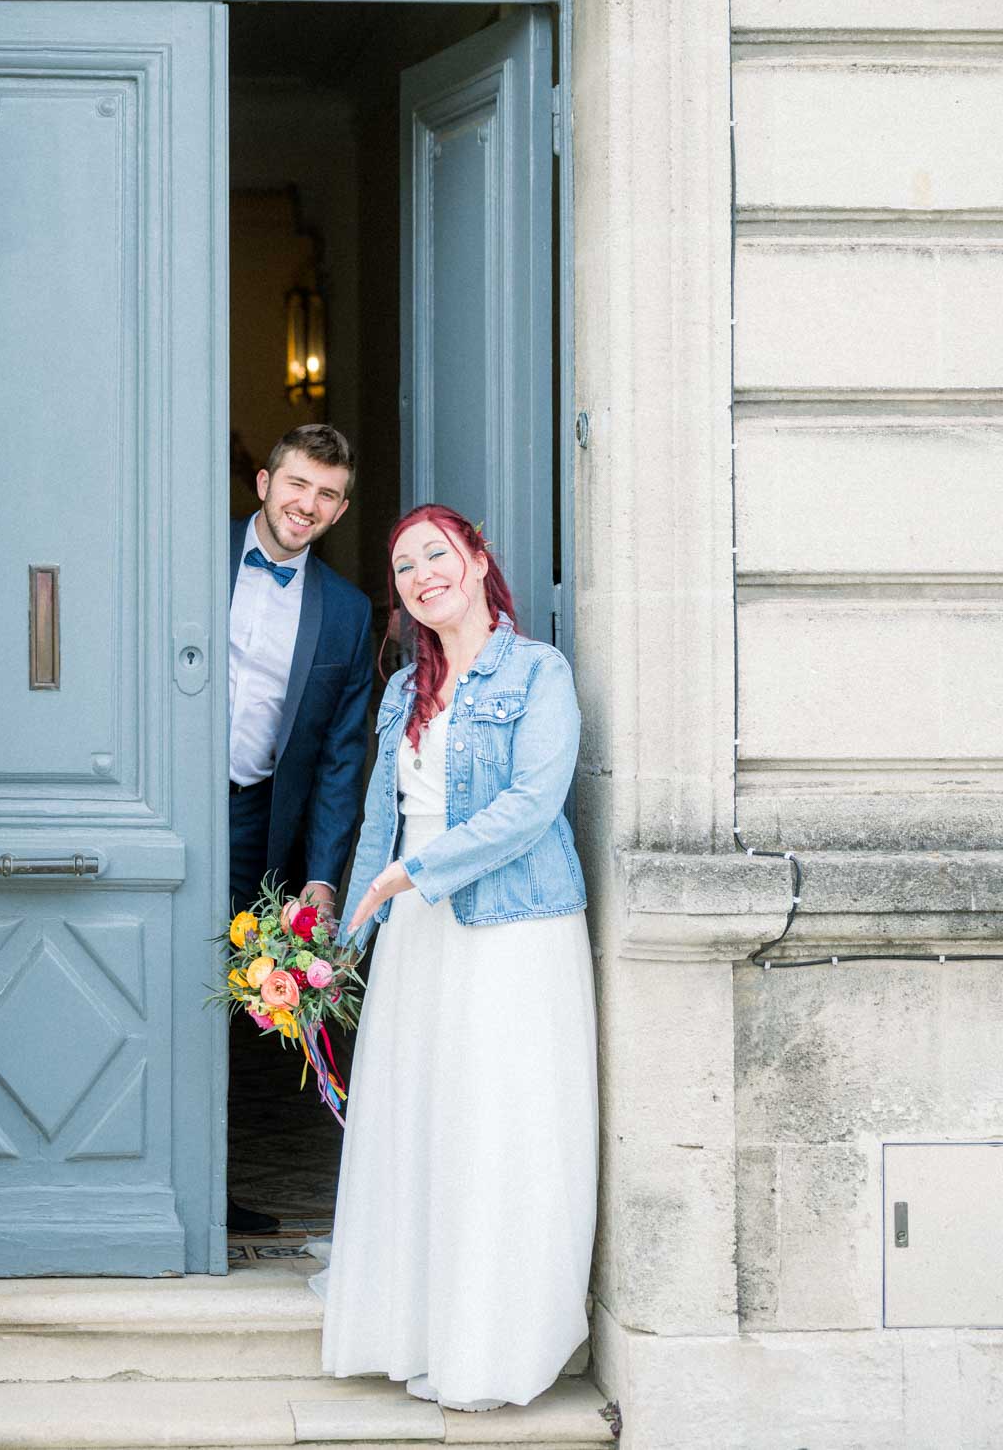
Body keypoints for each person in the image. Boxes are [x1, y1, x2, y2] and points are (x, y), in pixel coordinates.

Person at [319, 504, 598, 1410]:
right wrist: (342, 943)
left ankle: (496, 1348)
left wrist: (417, 873)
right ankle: (417, 1331)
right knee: (421, 1127)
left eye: (436, 555)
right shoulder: (404, 687)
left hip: (510, 925)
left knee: (496, 1129)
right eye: (403, 568)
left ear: (479, 560)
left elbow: (532, 805)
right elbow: (378, 819)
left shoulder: (538, 671)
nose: (421, 575)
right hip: (415, 925)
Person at [227, 423, 374, 1233]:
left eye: (326, 495)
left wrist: (322, 873)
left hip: (258, 818)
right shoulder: (187, 552)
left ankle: (203, 1179)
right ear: (263, 483)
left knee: (226, 998)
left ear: (341, 510)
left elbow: (340, 761)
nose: (306, 505)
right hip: (166, 801)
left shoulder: (347, 616)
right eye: (296, 485)